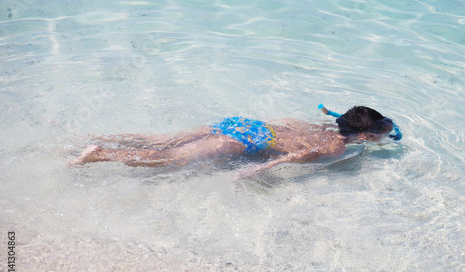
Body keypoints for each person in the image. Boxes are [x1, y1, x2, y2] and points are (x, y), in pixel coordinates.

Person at [69, 105, 402, 176]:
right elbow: (292, 159)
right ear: (362, 134)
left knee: (160, 139)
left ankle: (91, 139)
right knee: (169, 157)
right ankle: (98, 154)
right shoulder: (336, 147)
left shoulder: (322, 124)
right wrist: (256, 172)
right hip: (244, 141)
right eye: (377, 135)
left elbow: (283, 123)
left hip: (242, 123)